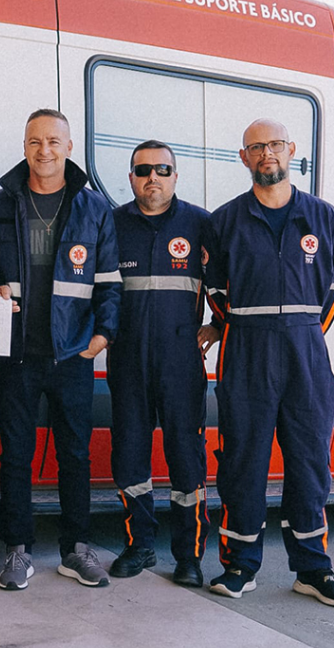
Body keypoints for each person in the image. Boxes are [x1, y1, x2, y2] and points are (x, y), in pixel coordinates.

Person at [202, 118, 334, 606]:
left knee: (310, 460)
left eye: (273, 145)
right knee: (244, 459)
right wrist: (247, 327)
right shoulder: (224, 220)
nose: (266, 154)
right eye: (255, 148)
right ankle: (240, 566)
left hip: (306, 351)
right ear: (243, 158)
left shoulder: (324, 217)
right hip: (245, 349)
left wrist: (301, 330)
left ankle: (312, 569)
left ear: (290, 150)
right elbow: (216, 292)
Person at [0, 109, 121, 590]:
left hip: (73, 354)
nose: (45, 151)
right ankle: (18, 550)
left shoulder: (93, 208)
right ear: (24, 146)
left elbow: (110, 283)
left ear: (69, 147)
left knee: (75, 454)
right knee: (16, 454)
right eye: (35, 141)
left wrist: (101, 337)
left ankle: (76, 549)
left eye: (54, 141)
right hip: (16, 354)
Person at [106, 140, 218, 588]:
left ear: (176, 175)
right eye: (143, 169)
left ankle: (188, 557)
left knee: (185, 459)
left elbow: (227, 283)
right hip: (127, 360)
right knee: (129, 455)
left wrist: (218, 325)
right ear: (131, 176)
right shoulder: (112, 224)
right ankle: (140, 546)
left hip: (181, 363)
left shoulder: (200, 224)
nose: (153, 177)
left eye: (162, 169)